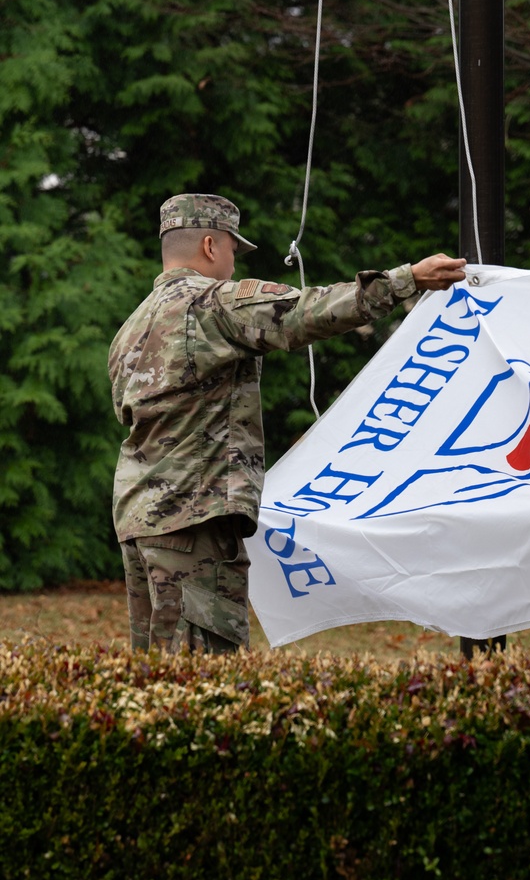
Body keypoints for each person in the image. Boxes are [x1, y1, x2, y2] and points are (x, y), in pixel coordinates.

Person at [109, 192, 466, 654]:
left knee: (156, 674)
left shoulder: (130, 328)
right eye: (234, 251)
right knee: (204, 680)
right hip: (194, 521)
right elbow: (305, 312)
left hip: (139, 520)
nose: (234, 265)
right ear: (212, 246)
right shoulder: (213, 303)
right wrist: (406, 280)